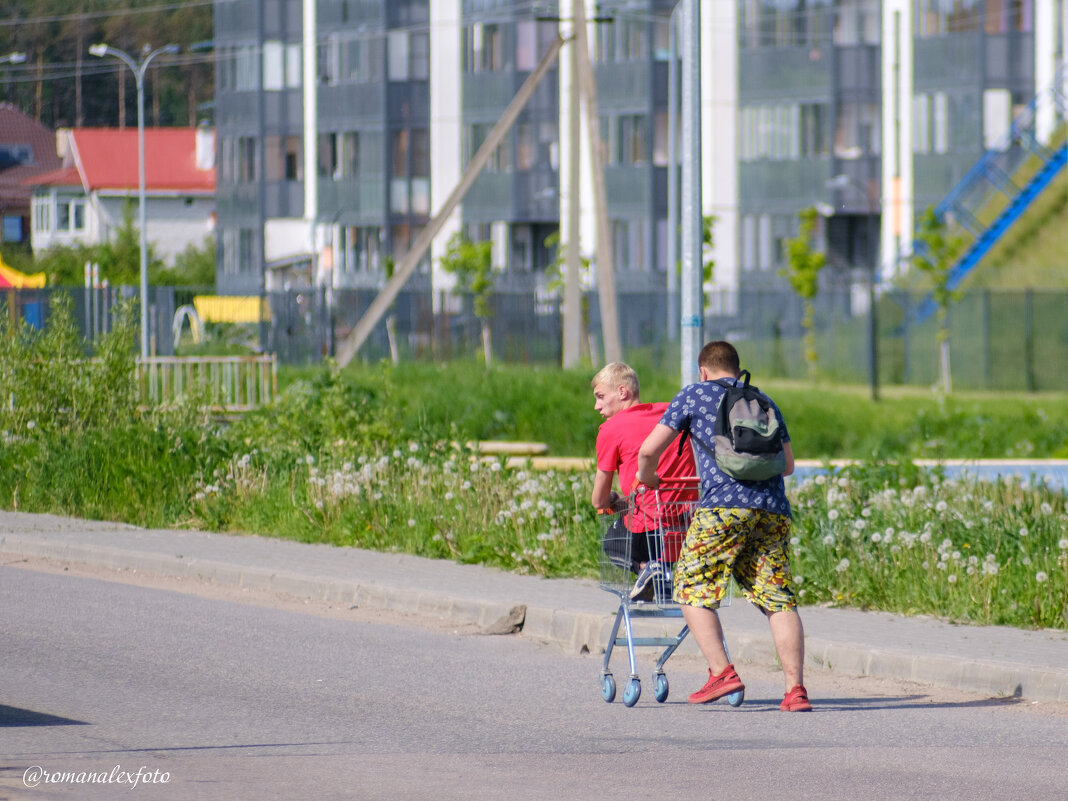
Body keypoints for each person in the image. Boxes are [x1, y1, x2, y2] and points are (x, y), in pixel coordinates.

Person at [636, 341, 812, 712]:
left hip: (722, 509)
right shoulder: (763, 399)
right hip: (772, 509)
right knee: (778, 598)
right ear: (736, 367)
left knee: (689, 586)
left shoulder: (693, 395)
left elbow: (649, 450)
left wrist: (648, 478)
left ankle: (721, 672)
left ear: (703, 371)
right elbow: (788, 465)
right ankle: (795, 690)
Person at [591, 362, 696, 601]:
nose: (596, 406)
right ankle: (664, 572)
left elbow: (598, 500)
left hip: (648, 527)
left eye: (600, 396)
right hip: (686, 522)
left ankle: (647, 570)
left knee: (612, 543)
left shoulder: (610, 429)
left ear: (622, 392)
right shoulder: (670, 413)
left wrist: (613, 500)